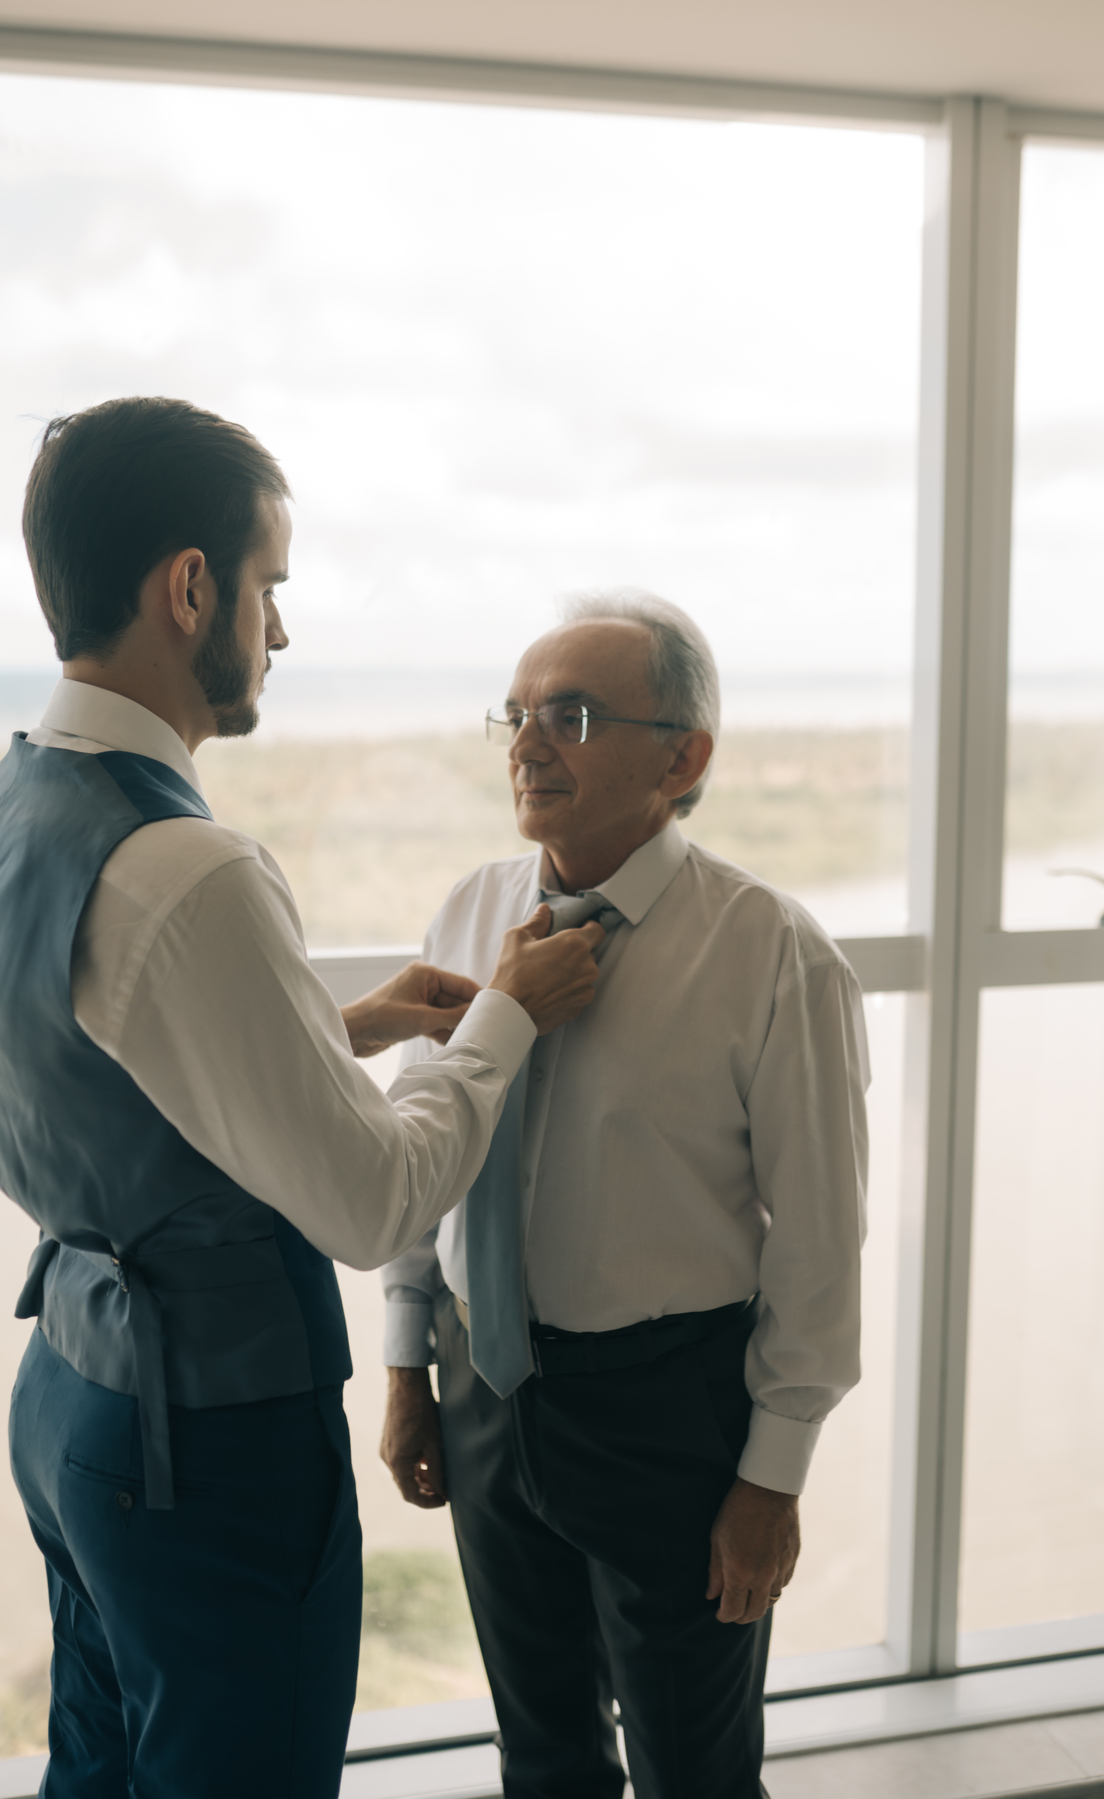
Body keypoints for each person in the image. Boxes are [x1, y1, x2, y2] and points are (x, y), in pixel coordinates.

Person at [0, 397, 605, 1799]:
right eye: (270, 587)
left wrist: (340, 1028)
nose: (281, 633)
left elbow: (109, 1068)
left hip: (69, 1393)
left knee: (101, 1768)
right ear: (192, 588)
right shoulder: (192, 866)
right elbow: (371, 1201)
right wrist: (503, 1019)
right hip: (209, 1434)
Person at [380, 591, 870, 1799]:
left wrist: (772, 1476)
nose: (527, 742)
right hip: (483, 1383)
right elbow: (422, 1147)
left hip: (669, 1417)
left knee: (693, 1768)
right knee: (541, 1751)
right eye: (518, 712)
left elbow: (820, 1244)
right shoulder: (471, 907)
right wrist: (406, 1364)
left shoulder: (772, 950)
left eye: (574, 714)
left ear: (683, 757)